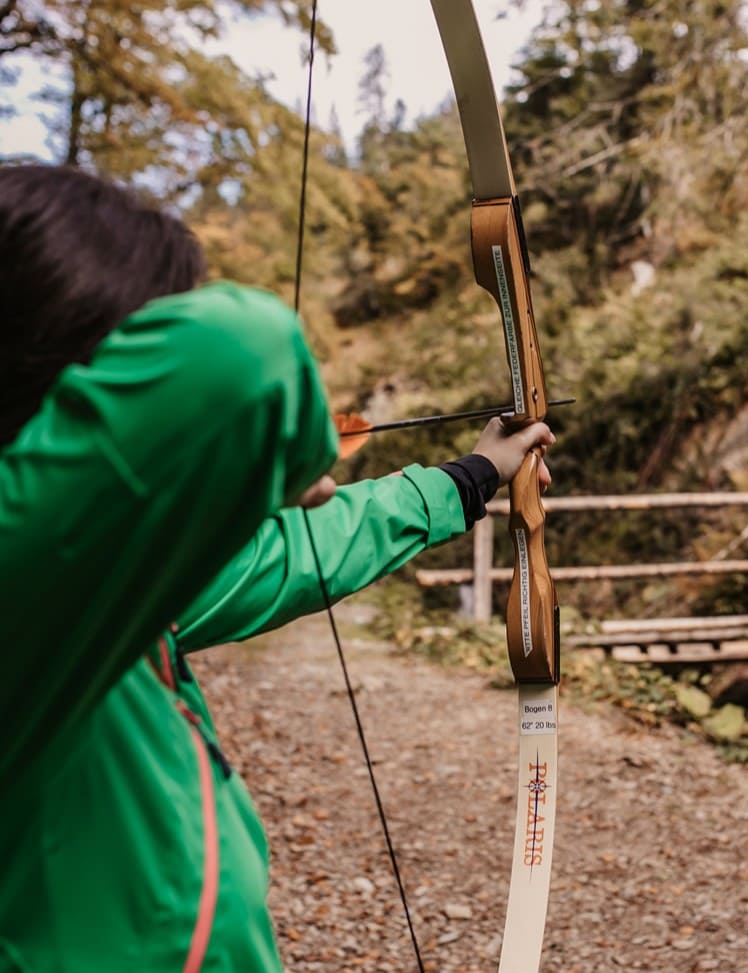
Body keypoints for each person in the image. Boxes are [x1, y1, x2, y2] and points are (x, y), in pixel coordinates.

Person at [0, 164, 554, 972]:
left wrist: (471, 476)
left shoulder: (109, 597)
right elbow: (243, 352)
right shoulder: (24, 592)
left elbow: (296, 551)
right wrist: (273, 449)